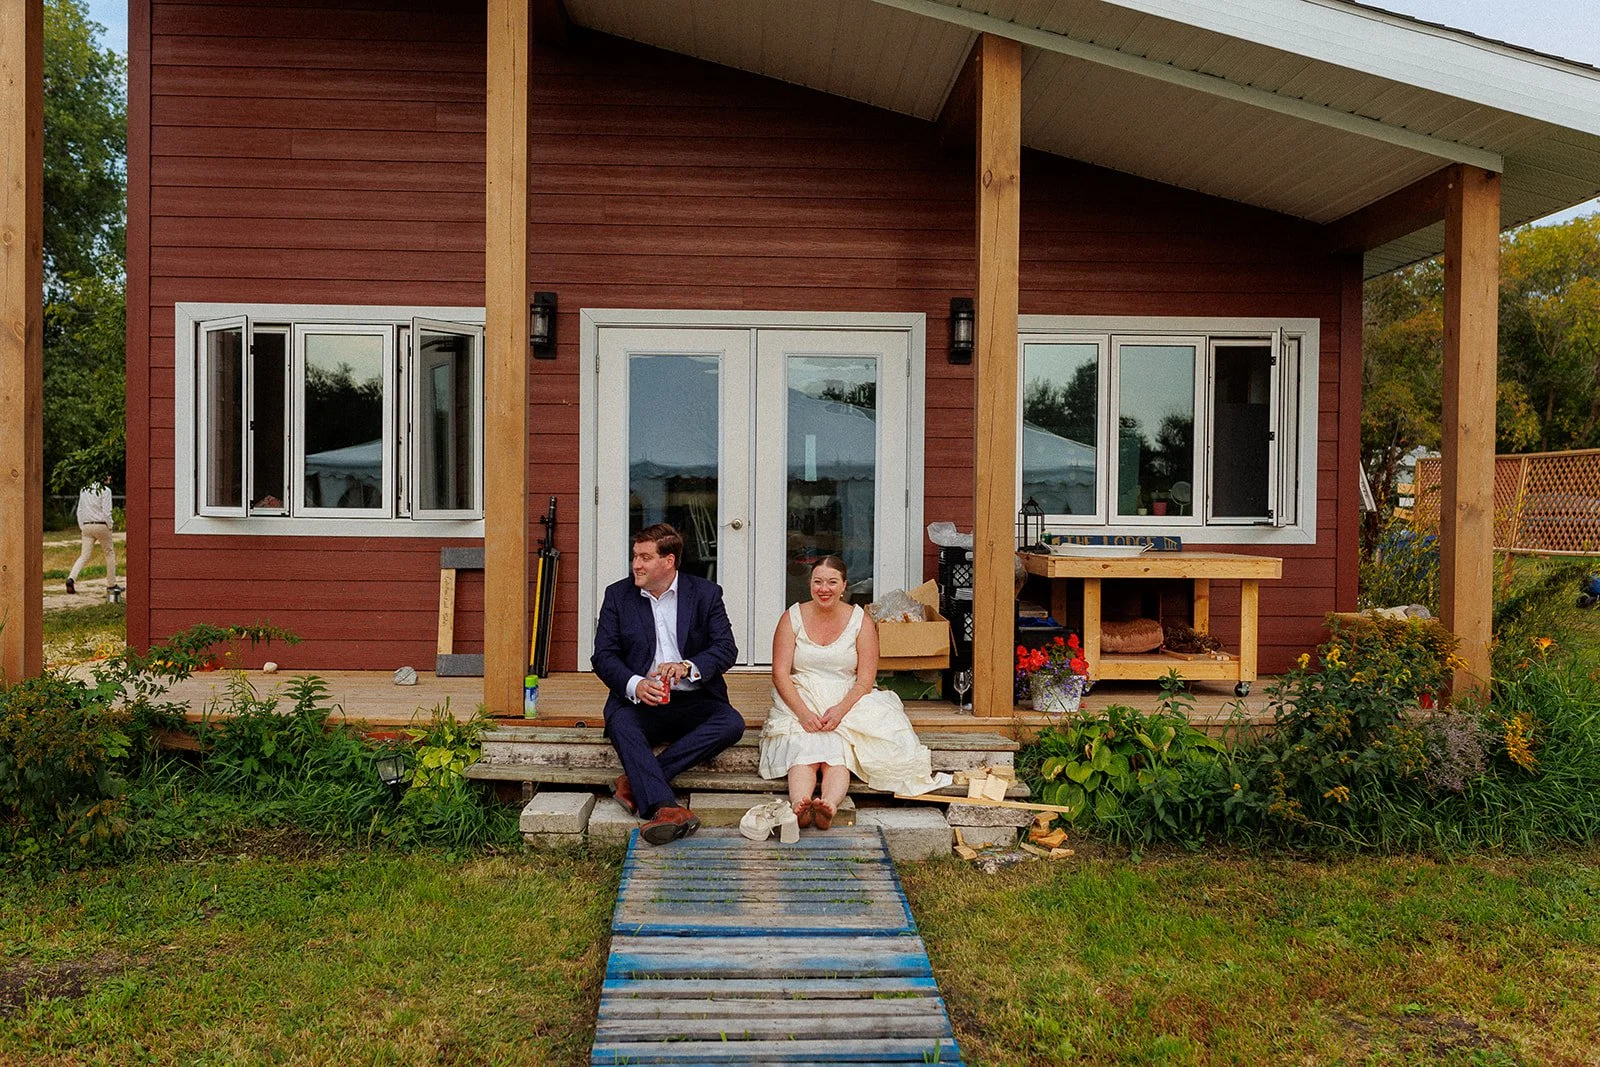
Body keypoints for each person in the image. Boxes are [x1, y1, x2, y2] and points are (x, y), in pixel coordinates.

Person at [760, 557, 950, 829]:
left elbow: (865, 680)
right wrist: (803, 713)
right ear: (810, 584)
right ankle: (799, 804)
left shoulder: (860, 621)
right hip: (801, 694)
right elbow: (780, 674)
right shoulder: (792, 618)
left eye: (832, 582)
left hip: (847, 697)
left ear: (844, 586)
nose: (824, 588)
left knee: (837, 751)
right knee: (803, 747)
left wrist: (840, 710)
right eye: (818, 582)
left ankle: (829, 806)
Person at [592, 523, 745, 845]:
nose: (636, 564)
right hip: (642, 703)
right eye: (635, 556)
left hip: (693, 700)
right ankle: (666, 808)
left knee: (731, 723)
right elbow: (603, 656)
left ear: (669, 561)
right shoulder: (618, 595)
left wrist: (688, 667)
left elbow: (725, 649)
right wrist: (635, 685)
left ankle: (636, 782)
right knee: (621, 723)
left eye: (645, 557)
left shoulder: (705, 594)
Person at [66, 474, 116, 598]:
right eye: (108, 476)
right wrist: (110, 525)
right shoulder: (106, 491)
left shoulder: (84, 490)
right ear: (103, 477)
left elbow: (80, 510)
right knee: (109, 554)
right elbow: (106, 512)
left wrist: (82, 526)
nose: (110, 478)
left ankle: (71, 578)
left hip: (87, 525)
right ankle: (111, 584)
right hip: (101, 525)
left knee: (84, 555)